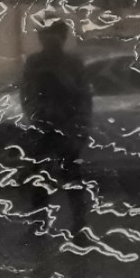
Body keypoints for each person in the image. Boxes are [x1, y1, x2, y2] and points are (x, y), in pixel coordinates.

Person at [20, 19, 92, 235]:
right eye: (43, 34)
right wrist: (34, 117)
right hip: (43, 125)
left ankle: (79, 225)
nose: (46, 39)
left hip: (67, 126)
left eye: (52, 34)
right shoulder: (35, 62)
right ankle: (39, 224)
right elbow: (26, 93)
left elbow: (83, 97)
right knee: (40, 178)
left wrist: (80, 127)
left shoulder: (73, 63)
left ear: (62, 37)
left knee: (72, 177)